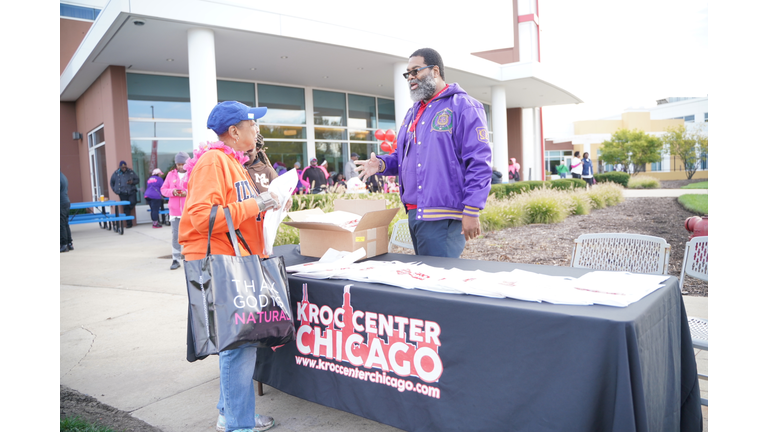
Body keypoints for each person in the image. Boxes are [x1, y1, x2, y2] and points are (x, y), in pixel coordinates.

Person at [178, 100, 280, 432]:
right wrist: (259, 202)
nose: (257, 129)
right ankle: (239, 424)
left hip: (232, 260)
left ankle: (230, 414)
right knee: (239, 345)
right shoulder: (213, 162)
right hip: (219, 261)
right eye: (253, 124)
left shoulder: (232, 163)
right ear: (234, 132)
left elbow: (241, 214)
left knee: (237, 343)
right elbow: (201, 218)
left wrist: (270, 206)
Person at [356, 47, 492, 258]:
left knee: (439, 285)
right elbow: (405, 157)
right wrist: (381, 164)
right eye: (408, 73)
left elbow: (479, 162)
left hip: (442, 215)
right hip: (414, 212)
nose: (411, 77)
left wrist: (472, 209)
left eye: (416, 71)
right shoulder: (413, 113)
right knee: (427, 283)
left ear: (435, 71)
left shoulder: (464, 106)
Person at [161, 152, 190, 269]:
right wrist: (172, 192)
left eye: (183, 164)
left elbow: (198, 190)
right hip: (175, 212)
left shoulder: (193, 174)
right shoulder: (170, 175)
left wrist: (186, 193)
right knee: (176, 236)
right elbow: (163, 190)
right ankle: (176, 259)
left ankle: (190, 258)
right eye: (178, 164)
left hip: (189, 211)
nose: (181, 166)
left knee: (191, 236)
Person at [110, 160, 140, 227]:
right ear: (120, 167)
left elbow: (137, 180)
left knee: (133, 202)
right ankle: (129, 224)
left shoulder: (130, 172)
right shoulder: (116, 173)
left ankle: (129, 209)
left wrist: (132, 182)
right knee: (125, 208)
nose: (124, 168)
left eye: (125, 167)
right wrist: (116, 190)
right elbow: (112, 183)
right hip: (122, 193)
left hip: (131, 191)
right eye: (122, 167)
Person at [61, 172, 73, 253]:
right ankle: (69, 243)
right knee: (65, 223)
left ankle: (63, 245)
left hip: (60, 203)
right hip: (66, 202)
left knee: (61, 225)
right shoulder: (63, 176)